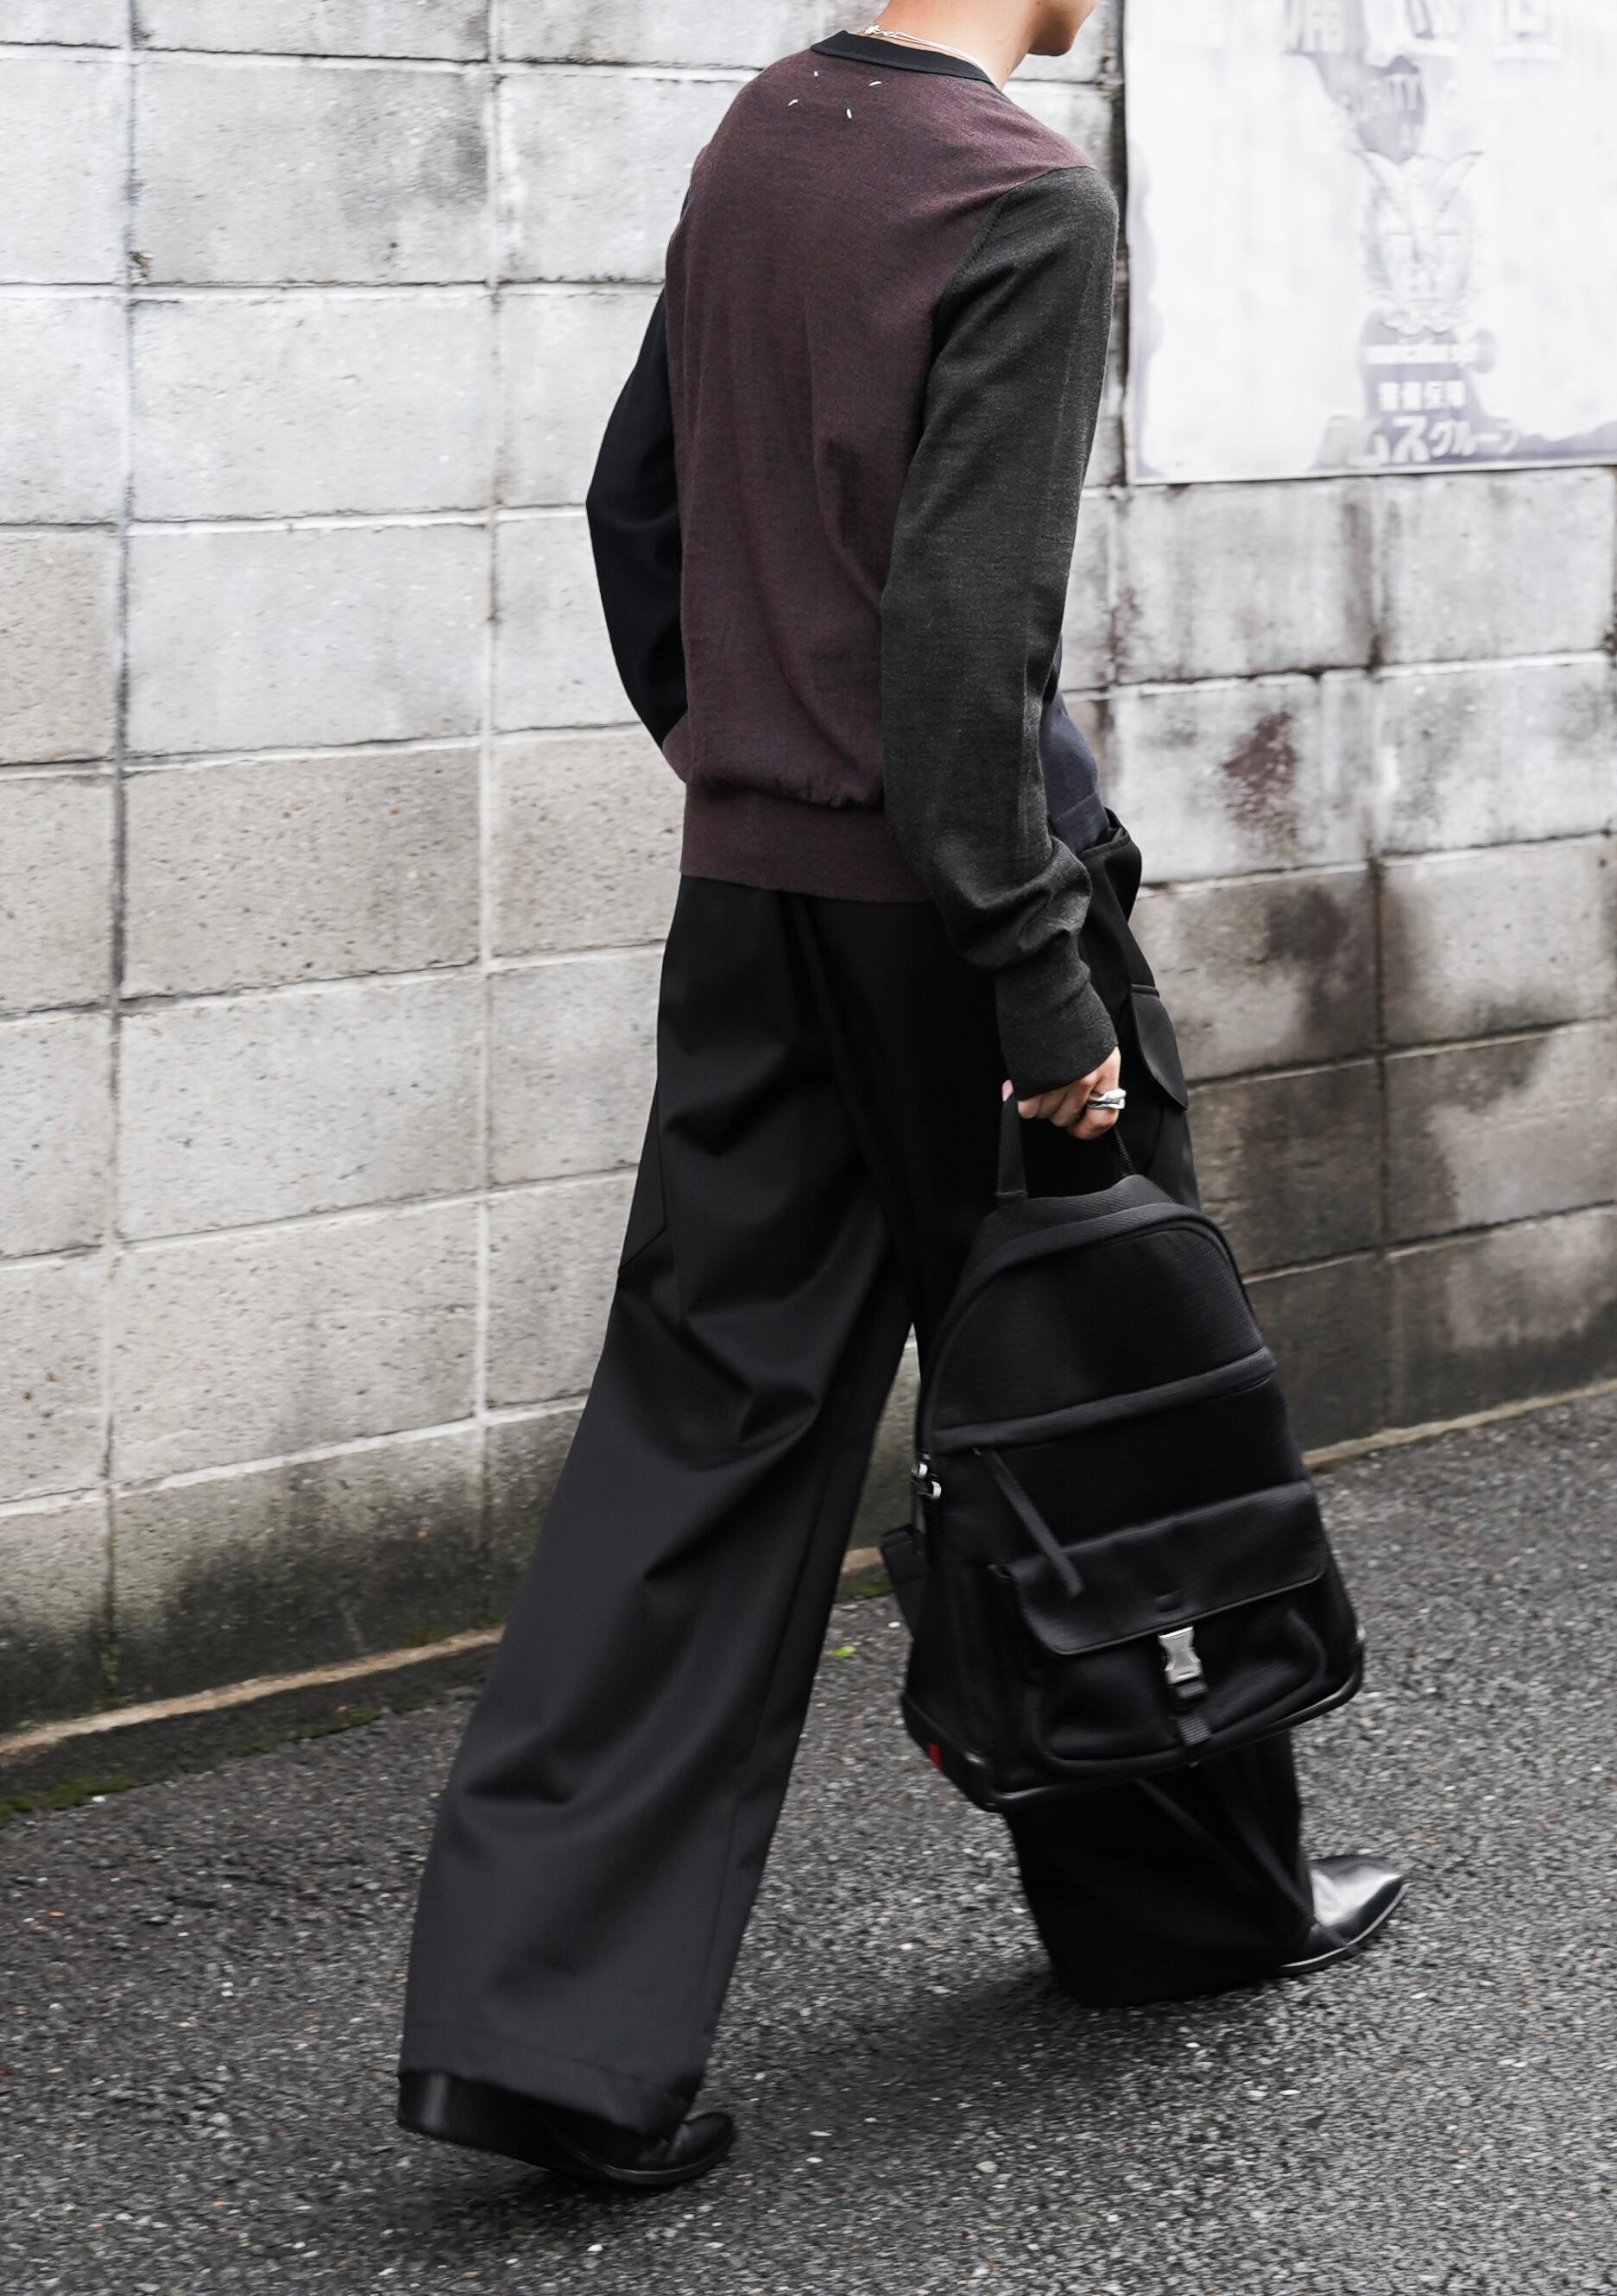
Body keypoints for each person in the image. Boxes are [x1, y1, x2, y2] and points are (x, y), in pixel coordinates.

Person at [396, 0, 1403, 2192]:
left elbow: (634, 504)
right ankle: (1182, 1915)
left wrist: (739, 764)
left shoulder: (765, 134)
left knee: (693, 1434)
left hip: (756, 898)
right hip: (960, 924)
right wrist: (1040, 989)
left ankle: (538, 2036)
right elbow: (963, 647)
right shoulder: (1017, 195)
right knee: (1105, 1389)